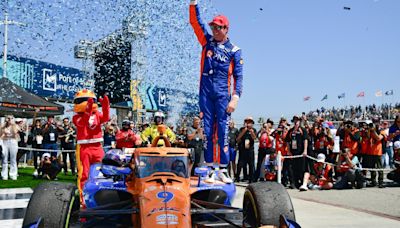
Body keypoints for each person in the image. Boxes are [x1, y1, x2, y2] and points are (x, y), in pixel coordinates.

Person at [190, 0, 243, 183]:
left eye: (219, 27)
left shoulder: (235, 50)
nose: (215, 30)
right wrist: (193, 3)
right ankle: (210, 167)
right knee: (207, 130)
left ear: (226, 29)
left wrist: (235, 97)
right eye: (213, 27)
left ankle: (223, 168)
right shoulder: (206, 42)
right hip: (205, 94)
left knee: (222, 131)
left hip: (222, 95)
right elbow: (195, 22)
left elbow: (239, 76)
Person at [73, 89, 110, 206]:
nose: (86, 102)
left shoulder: (97, 115)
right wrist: (88, 110)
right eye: (82, 100)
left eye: (88, 100)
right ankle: (82, 199)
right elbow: (83, 122)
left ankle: (101, 197)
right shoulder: (76, 117)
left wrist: (106, 107)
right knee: (84, 174)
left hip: (97, 147)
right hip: (84, 148)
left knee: (101, 173)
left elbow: (105, 118)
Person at [285, 116, 308, 190]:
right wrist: (288, 151)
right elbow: (287, 141)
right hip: (293, 153)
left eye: (297, 120)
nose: (296, 122)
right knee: (293, 168)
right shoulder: (291, 131)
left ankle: (302, 183)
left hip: (301, 153)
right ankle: (294, 183)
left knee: (301, 168)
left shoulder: (302, 130)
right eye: (294, 120)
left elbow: (305, 140)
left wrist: (305, 150)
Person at [236, 117, 257, 183]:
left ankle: (251, 179)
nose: (248, 124)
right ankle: (237, 178)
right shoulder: (241, 129)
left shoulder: (253, 130)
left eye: (250, 122)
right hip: (242, 150)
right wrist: (244, 131)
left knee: (251, 165)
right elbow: (238, 138)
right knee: (240, 164)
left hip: (250, 150)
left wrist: (252, 132)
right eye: (247, 122)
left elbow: (254, 138)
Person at [0, 115, 19, 180]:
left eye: (11, 118)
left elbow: (15, 133)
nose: (9, 119)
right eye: (8, 118)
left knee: (13, 159)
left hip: (13, 142)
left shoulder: (15, 126)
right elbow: (1, 135)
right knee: (4, 159)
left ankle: (13, 174)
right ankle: (4, 175)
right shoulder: (3, 126)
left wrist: (12, 124)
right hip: (5, 142)